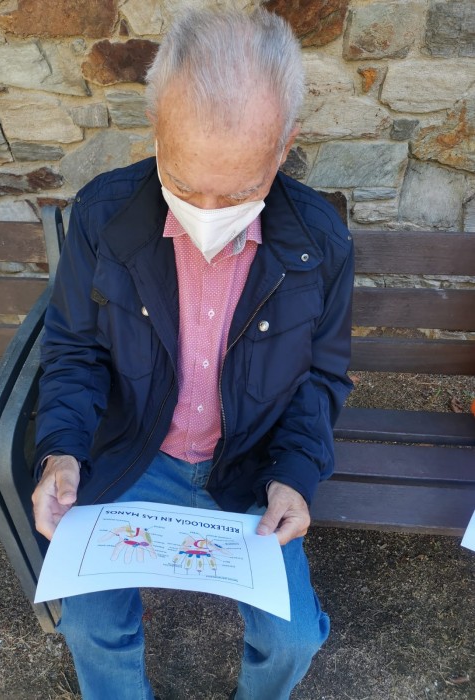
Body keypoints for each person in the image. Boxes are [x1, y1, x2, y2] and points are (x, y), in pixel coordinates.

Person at [31, 6, 354, 700]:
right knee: (87, 624)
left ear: (284, 146)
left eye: (238, 191)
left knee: (293, 639)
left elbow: (321, 376)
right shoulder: (103, 215)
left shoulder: (320, 241)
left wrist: (294, 477)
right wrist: (61, 451)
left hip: (250, 466)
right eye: (181, 184)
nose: (207, 213)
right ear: (156, 127)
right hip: (132, 456)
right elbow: (74, 349)